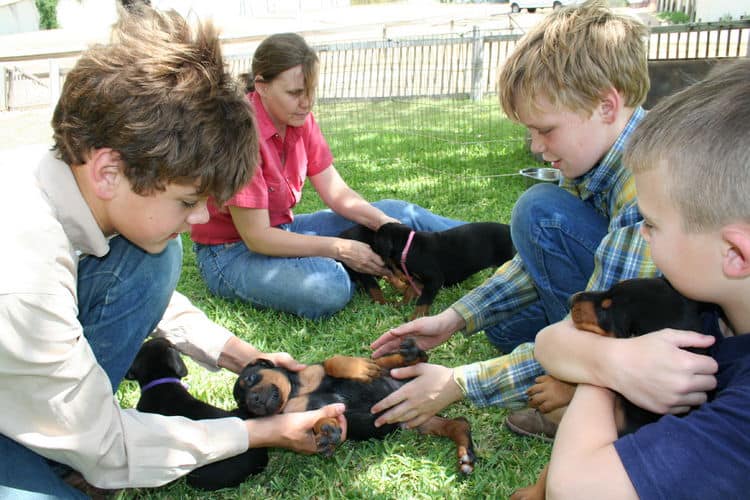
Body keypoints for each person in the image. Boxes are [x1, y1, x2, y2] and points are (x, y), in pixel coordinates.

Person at [0, 7, 346, 498]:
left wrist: (242, 356)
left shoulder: (79, 187)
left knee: (156, 256)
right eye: (187, 201)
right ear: (108, 171)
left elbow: (160, 304)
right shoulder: (20, 271)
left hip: (21, 378)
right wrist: (259, 432)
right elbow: (106, 446)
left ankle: (49, 448)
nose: (202, 218)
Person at [369, 0, 657, 433]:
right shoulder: (595, 157)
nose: (536, 146)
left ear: (606, 106)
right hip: (614, 300)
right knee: (507, 329)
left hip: (651, 337)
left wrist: (458, 383)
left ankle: (588, 399)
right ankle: (566, 369)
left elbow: (610, 319)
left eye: (545, 129)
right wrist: (455, 318)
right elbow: (537, 257)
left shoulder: (648, 185)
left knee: (537, 210)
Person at [540, 57, 750, 498]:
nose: (641, 235)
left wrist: (603, 371)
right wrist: (615, 363)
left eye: (651, 224)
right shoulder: (705, 311)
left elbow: (575, 487)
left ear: (734, 253)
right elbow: (549, 343)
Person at [190, 32, 463, 320]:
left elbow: (338, 194)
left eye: (311, 90)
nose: (307, 102)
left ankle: (495, 242)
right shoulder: (239, 133)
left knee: (397, 213)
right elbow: (257, 238)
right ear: (262, 86)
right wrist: (341, 249)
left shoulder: (300, 119)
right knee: (327, 286)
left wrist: (385, 226)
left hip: (283, 230)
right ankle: (353, 269)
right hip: (232, 254)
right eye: (295, 93)